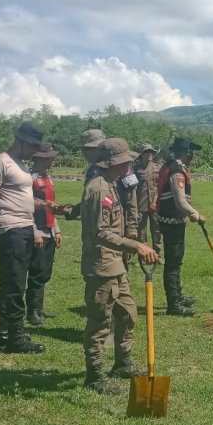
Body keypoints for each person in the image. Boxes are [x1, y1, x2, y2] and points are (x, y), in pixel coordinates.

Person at [80, 138, 158, 394]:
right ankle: (95, 376)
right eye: (126, 160)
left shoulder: (112, 186)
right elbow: (100, 232)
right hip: (102, 266)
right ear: (114, 163)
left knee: (127, 314)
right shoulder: (99, 189)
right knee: (99, 323)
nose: (129, 164)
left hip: (116, 265)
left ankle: (122, 364)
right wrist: (134, 245)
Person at [0, 122, 55, 353]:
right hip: (10, 229)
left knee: (14, 281)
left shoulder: (20, 164)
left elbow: (21, 197)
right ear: (21, 142)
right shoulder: (1, 162)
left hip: (24, 226)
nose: (34, 152)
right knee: (14, 284)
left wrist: (44, 205)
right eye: (32, 146)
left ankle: (2, 331)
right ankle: (16, 338)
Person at [155, 137, 205, 316]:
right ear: (185, 152)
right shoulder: (176, 171)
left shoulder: (173, 167)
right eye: (191, 152)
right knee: (173, 263)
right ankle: (174, 304)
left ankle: (178, 295)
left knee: (175, 261)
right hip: (171, 223)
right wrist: (195, 214)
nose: (192, 155)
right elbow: (180, 201)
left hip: (171, 221)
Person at [26, 143, 63, 326]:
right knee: (36, 271)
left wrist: (56, 229)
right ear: (39, 158)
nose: (52, 160)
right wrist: (34, 233)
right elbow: (26, 209)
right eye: (49, 157)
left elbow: (51, 205)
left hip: (48, 229)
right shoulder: (30, 179)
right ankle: (32, 310)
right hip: (38, 230)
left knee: (45, 271)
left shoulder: (48, 178)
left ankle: (39, 307)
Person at [134, 143, 162, 255]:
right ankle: (144, 254)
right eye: (147, 152)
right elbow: (132, 189)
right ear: (142, 154)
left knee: (157, 230)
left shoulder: (158, 168)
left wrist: (155, 201)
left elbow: (160, 186)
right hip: (141, 204)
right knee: (141, 231)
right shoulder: (135, 169)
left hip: (155, 205)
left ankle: (157, 253)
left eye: (151, 152)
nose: (150, 154)